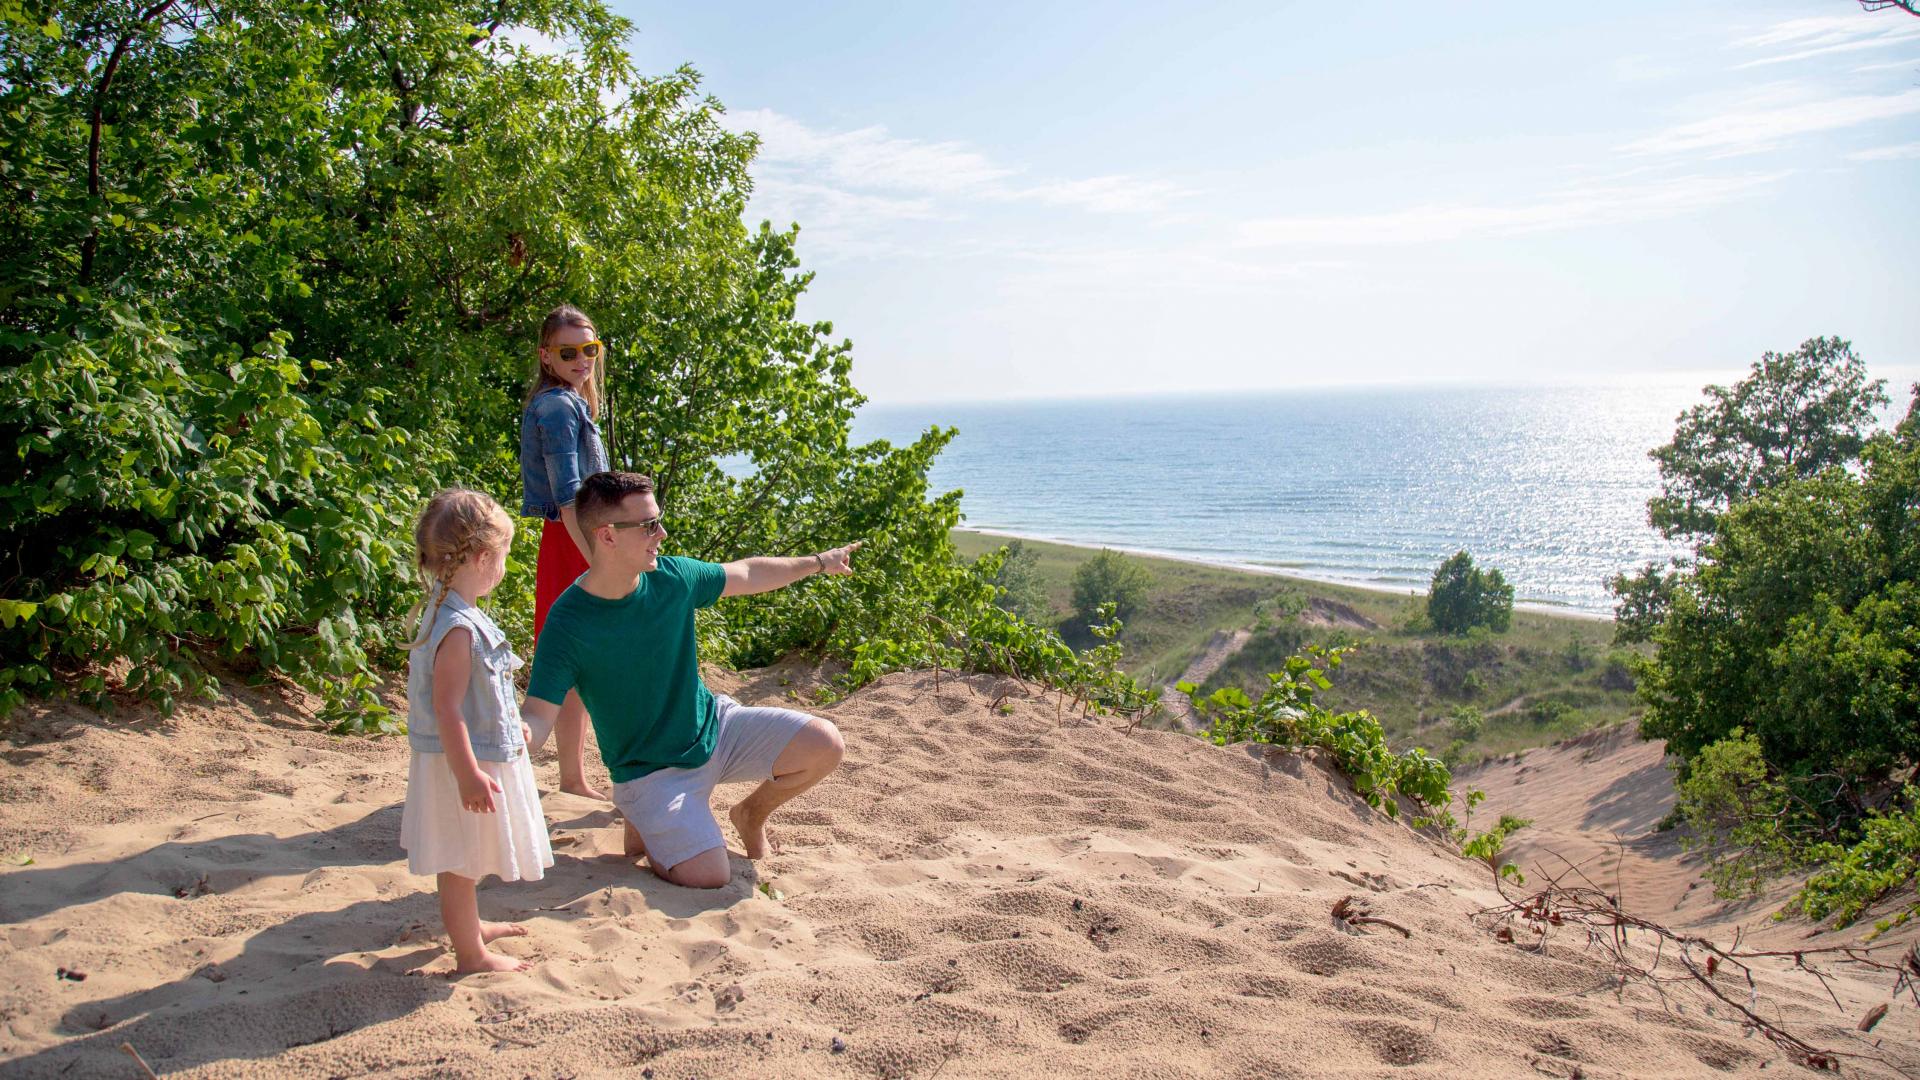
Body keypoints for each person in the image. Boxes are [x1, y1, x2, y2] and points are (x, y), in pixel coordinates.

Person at [521, 470, 856, 889]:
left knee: (825, 743)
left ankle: (749, 815)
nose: (661, 533)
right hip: (651, 771)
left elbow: (748, 573)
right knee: (709, 875)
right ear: (607, 536)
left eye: (657, 520)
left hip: (715, 728)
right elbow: (537, 716)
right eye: (648, 525)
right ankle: (644, 816)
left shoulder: (672, 578)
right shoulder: (568, 622)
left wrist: (820, 562)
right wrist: (510, 737)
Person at [398, 489, 553, 973]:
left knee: (468, 854)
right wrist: (467, 774)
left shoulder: (450, 610)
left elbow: (476, 697)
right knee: (461, 860)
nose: (505, 567)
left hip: (474, 750)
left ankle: (471, 927)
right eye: (504, 556)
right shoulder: (459, 626)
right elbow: (447, 707)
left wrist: (513, 729)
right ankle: (471, 955)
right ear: (483, 558)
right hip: (460, 760)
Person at [520, 304, 611, 800]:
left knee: (572, 666)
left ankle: (573, 778)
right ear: (546, 356)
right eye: (569, 351)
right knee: (574, 666)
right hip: (574, 540)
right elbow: (568, 494)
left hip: (578, 537)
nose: (582, 359)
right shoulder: (557, 406)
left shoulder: (571, 401)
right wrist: (598, 557)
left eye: (589, 349)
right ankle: (564, 776)